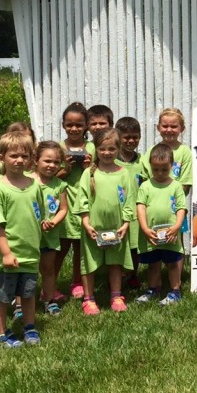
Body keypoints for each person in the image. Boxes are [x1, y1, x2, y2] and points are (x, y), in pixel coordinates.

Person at [0, 132, 46, 347]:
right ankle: (1, 333)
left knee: (28, 293)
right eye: (13, 156)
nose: (19, 160)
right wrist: (6, 253)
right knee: (3, 295)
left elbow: (38, 213)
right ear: (1, 157)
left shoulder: (34, 185)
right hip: (9, 254)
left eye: (24, 156)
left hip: (31, 252)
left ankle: (29, 327)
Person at [76, 128, 135, 313]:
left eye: (111, 149)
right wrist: (86, 222)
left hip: (117, 228)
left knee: (116, 262)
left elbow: (129, 199)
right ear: (95, 150)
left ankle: (116, 296)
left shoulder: (123, 173)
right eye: (102, 149)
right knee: (89, 263)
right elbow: (82, 199)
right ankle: (89, 298)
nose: (107, 153)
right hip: (92, 228)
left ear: (118, 149)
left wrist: (126, 223)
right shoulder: (89, 173)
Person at [136, 143, 189, 305]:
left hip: (170, 233)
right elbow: (140, 207)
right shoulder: (145, 186)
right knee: (153, 264)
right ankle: (153, 289)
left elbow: (181, 207)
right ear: (150, 167)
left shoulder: (176, 186)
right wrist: (144, 228)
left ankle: (175, 291)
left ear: (171, 166)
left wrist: (177, 226)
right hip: (151, 234)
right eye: (155, 169)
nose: (159, 173)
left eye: (164, 169)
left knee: (172, 264)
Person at [58, 101, 91, 300]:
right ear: (63, 125)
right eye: (69, 124)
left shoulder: (93, 148)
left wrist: (88, 168)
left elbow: (99, 176)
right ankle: (50, 283)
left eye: (79, 124)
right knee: (60, 247)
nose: (74, 128)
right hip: (63, 204)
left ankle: (77, 281)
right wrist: (66, 169)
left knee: (80, 247)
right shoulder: (58, 148)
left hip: (85, 203)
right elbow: (49, 177)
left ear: (86, 125)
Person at [33, 140, 69, 315]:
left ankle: (49, 300)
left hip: (50, 234)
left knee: (48, 269)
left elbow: (63, 209)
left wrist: (54, 222)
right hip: (28, 235)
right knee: (25, 271)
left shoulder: (60, 185)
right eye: (47, 160)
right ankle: (19, 304)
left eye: (56, 162)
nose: (52, 165)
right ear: (36, 160)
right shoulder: (27, 182)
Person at [114, 116, 144, 288]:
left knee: (134, 247)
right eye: (126, 137)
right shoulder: (111, 161)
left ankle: (133, 275)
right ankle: (115, 278)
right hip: (118, 211)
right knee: (118, 246)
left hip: (136, 211)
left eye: (135, 137)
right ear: (118, 137)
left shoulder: (143, 161)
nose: (131, 140)